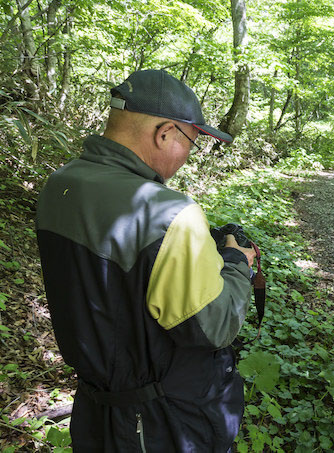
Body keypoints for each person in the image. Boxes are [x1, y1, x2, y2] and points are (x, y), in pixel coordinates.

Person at [36, 69, 256, 452]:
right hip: (161, 422)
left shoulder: (60, 184)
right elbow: (214, 327)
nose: (190, 154)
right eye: (192, 141)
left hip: (95, 407)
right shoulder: (169, 214)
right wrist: (237, 262)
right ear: (165, 132)